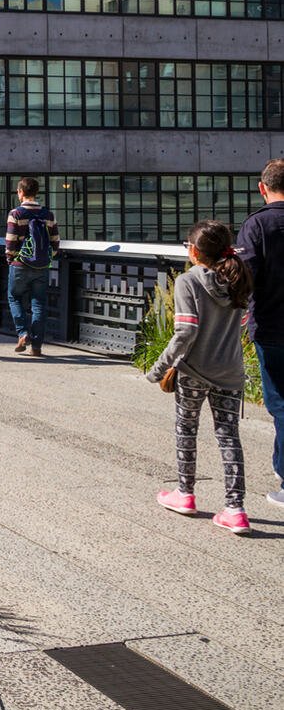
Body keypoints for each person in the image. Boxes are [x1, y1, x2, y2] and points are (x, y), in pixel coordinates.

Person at [150, 220, 253, 535]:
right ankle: (235, 510)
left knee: (186, 430)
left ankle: (185, 493)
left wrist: (158, 368)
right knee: (228, 435)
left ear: (194, 251)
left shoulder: (187, 282)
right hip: (230, 370)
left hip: (194, 371)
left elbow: (186, 332)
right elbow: (243, 322)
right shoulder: (237, 279)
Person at [237, 157, 284, 509]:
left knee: (280, 403)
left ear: (262, 187)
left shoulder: (257, 225)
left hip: (272, 325)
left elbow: (244, 276)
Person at [4, 177, 61, 357]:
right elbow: (56, 243)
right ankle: (36, 347)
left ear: (20, 192)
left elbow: (10, 242)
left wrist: (10, 259)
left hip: (20, 264)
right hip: (41, 267)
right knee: (39, 304)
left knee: (14, 297)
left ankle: (22, 333)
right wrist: (45, 258)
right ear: (36, 193)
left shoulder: (16, 214)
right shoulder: (48, 214)